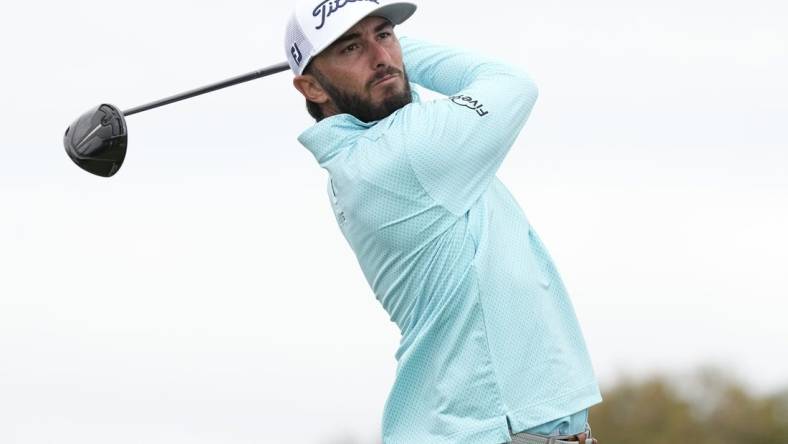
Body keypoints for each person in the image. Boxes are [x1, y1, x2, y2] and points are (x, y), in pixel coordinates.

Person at [285, 1, 602, 443]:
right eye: (351, 47)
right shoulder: (404, 155)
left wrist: (376, 60)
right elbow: (511, 84)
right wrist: (399, 56)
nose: (379, 56)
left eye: (384, 35)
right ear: (313, 88)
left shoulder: (367, 157)